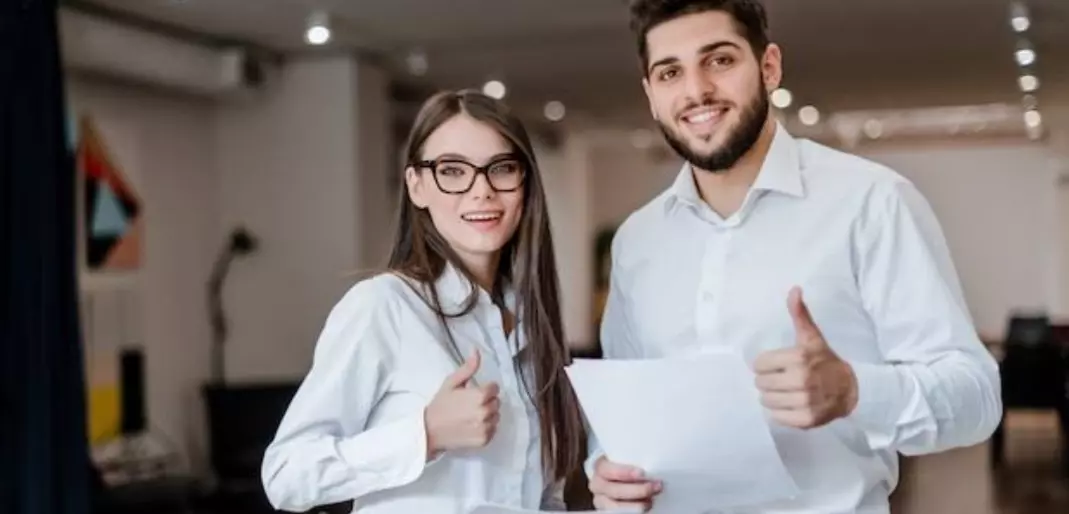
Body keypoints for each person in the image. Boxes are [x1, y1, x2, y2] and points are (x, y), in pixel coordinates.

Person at [587, 1, 1002, 512]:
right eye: (670, 72)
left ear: (769, 67)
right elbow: (626, 419)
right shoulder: (636, 242)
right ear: (651, 95)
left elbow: (977, 397)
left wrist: (855, 392)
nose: (696, 91)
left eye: (719, 60)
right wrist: (606, 471)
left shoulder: (870, 203)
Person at [261, 90, 586, 513]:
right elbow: (286, 475)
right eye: (452, 171)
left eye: (502, 168)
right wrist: (425, 434)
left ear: (525, 183)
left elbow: (540, 498)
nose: (481, 191)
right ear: (417, 185)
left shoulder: (531, 328)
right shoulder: (383, 306)